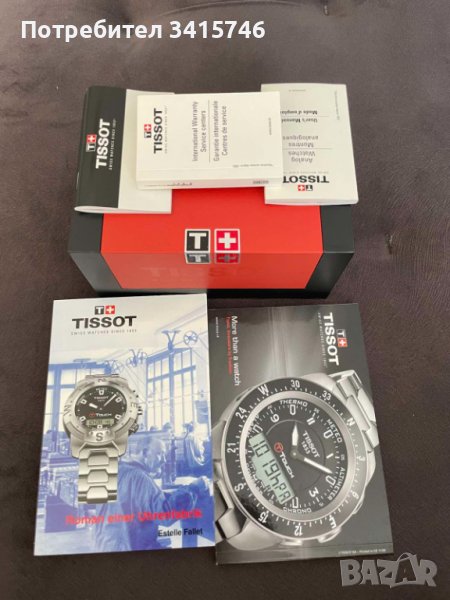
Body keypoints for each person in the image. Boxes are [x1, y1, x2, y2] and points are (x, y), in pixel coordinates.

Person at [95, 434, 208, 551]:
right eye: (160, 454)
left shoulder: (117, 470)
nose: (164, 460)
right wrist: (193, 488)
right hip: (132, 548)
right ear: (145, 453)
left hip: (107, 546)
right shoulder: (139, 477)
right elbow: (165, 514)